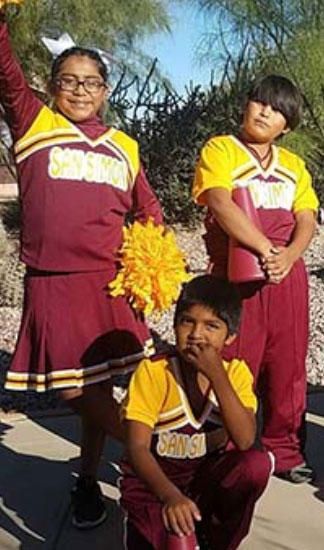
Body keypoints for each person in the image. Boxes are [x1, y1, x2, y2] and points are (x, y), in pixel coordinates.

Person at [0, 10, 163, 529]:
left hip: (112, 285)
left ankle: (88, 479)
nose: (78, 90)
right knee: (72, 388)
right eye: (68, 80)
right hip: (54, 282)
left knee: (100, 388)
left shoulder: (124, 146)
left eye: (90, 82)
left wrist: (149, 263)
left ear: (105, 90)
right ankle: (154, 455)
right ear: (51, 86)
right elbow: (5, 71)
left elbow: (150, 210)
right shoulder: (34, 123)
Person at [191, 75, 318, 484]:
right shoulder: (222, 149)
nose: (265, 112)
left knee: (287, 364)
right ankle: (232, 445)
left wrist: (291, 255)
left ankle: (285, 448)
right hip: (238, 272)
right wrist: (265, 249)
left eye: (277, 108)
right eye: (259, 102)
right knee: (234, 360)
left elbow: (307, 217)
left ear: (288, 123)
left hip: (286, 274)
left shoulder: (293, 165)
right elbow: (219, 202)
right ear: (246, 106)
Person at [119, 275, 271, 550]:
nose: (196, 334)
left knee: (255, 465)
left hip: (204, 483)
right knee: (180, 542)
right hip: (155, 488)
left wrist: (215, 374)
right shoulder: (154, 372)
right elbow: (137, 448)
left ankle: (217, 541)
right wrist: (170, 496)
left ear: (230, 336)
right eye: (187, 321)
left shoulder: (234, 373)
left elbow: (246, 439)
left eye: (211, 326)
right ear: (175, 324)